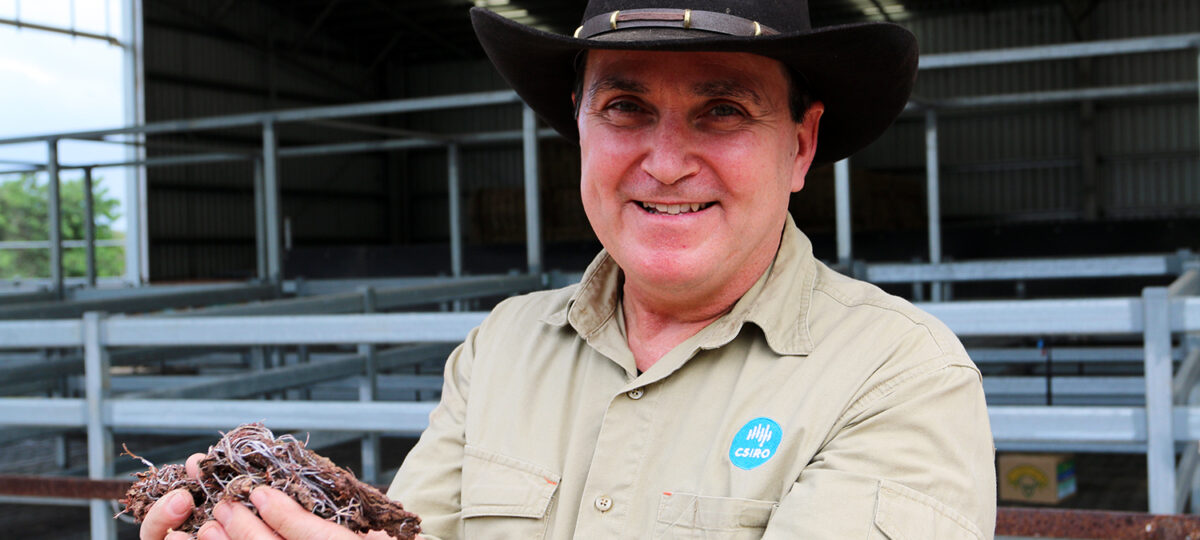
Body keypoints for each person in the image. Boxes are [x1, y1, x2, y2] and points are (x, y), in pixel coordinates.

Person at [140, 0, 996, 538]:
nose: (665, 162)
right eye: (626, 107)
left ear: (799, 145)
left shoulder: (896, 376)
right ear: (579, 130)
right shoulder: (501, 350)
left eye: (723, 110)